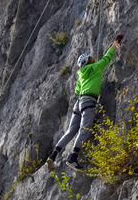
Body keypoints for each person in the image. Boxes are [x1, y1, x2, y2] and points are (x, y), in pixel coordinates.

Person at [47, 34, 123, 171]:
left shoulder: (81, 74)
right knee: (85, 129)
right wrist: (115, 42)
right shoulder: (95, 68)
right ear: (89, 60)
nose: (93, 58)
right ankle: (73, 158)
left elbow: (77, 90)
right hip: (88, 101)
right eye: (91, 57)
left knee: (70, 131)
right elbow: (107, 58)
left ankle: (53, 155)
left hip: (79, 102)